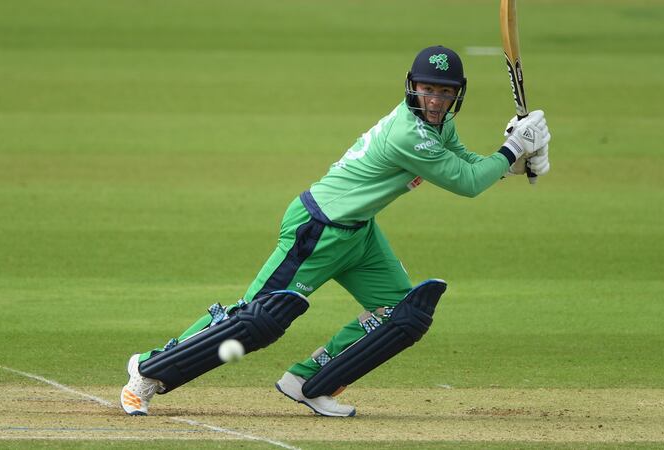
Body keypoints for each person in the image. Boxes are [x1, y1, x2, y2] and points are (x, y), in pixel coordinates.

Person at [120, 45, 551, 417]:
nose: (435, 100)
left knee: (402, 314)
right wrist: (513, 147)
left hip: (359, 233)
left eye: (445, 92)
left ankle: (310, 382)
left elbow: (469, 165)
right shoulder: (408, 133)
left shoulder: (438, 125)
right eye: (428, 89)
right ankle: (149, 370)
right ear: (412, 86)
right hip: (317, 229)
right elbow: (468, 183)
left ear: (457, 94)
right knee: (257, 320)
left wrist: (511, 162)